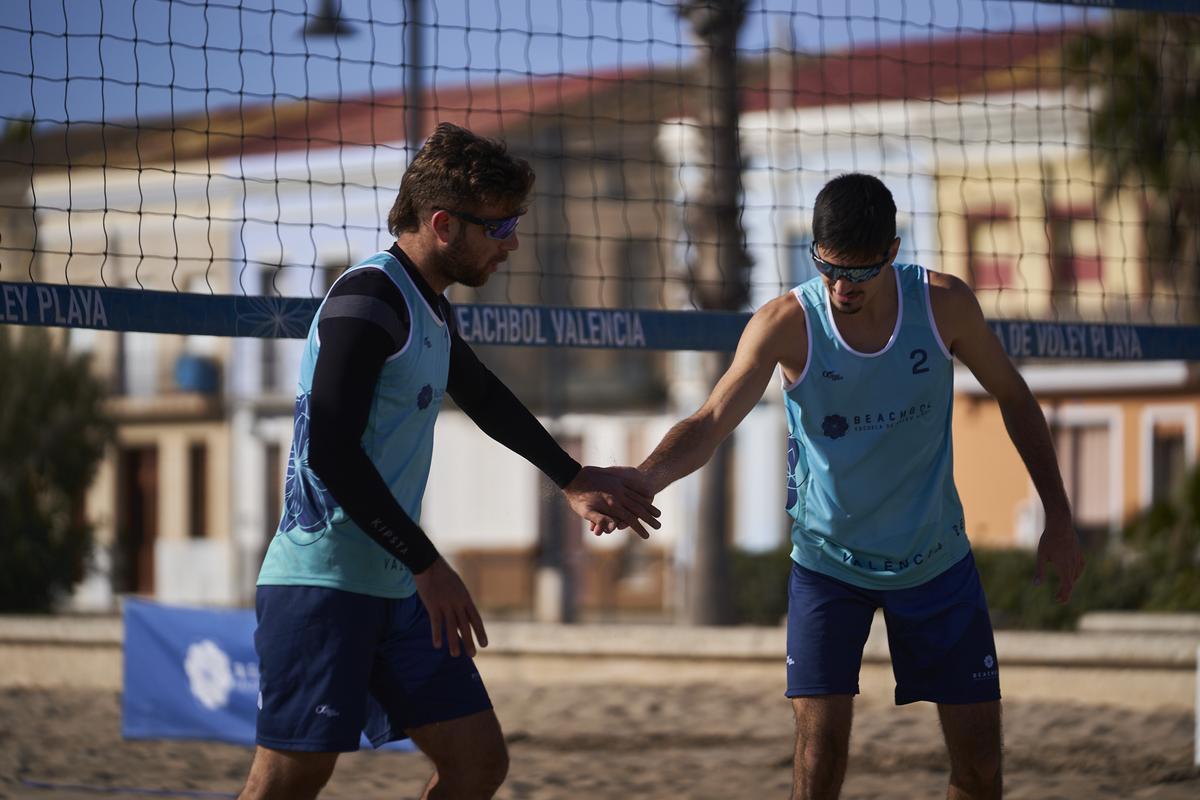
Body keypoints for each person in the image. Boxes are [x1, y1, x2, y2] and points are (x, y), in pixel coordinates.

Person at [624, 173, 1084, 800]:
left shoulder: (943, 304)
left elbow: (1015, 398)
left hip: (935, 562)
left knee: (979, 770)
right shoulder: (786, 322)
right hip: (827, 565)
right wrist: (644, 478)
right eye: (827, 268)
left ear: (892, 252)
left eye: (860, 273)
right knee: (820, 764)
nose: (841, 288)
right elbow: (708, 422)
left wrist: (1058, 518)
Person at [239, 122, 660, 800]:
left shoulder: (428, 307)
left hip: (396, 587)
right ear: (442, 224)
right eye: (499, 228)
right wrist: (428, 564)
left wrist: (575, 478)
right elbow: (331, 453)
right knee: (289, 781)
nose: (513, 243)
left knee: (477, 764)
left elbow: (484, 395)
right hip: (324, 586)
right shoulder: (366, 298)